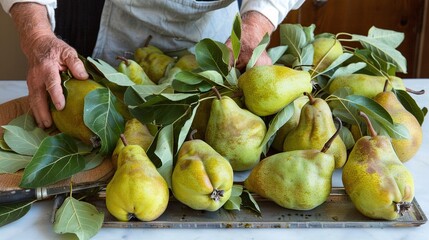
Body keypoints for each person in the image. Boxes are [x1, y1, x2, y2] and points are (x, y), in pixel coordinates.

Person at [0, 0, 305, 129]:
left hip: (213, 36)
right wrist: (37, 36)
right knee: (97, 127)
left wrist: (257, 26)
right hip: (101, 29)